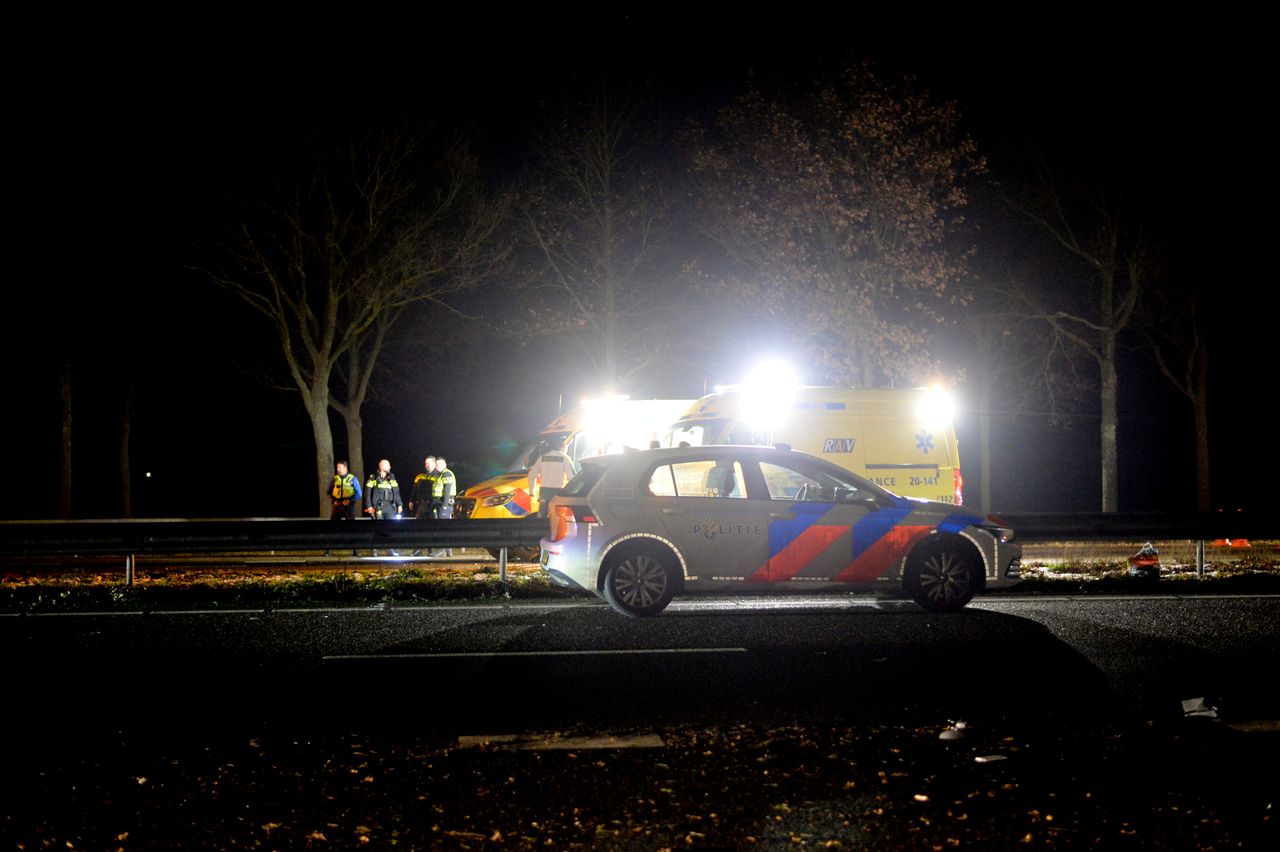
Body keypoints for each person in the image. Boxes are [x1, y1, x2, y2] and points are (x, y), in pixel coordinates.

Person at [528, 439, 580, 518]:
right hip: (557, 492)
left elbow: (532, 476)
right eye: (566, 449)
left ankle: (541, 529)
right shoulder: (565, 458)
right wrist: (576, 493)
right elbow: (572, 478)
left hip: (544, 492)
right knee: (556, 517)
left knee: (542, 516)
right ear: (563, 448)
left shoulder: (542, 458)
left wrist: (532, 492)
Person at [363, 458, 403, 556]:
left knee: (390, 528)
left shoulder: (392, 477)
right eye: (388, 465)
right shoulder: (373, 477)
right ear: (382, 466)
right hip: (378, 507)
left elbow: (396, 491)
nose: (390, 467)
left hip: (390, 506)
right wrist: (368, 506)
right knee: (377, 528)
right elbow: (367, 492)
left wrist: (399, 504)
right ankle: (374, 550)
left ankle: (390, 549)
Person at [408, 455, 437, 555]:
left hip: (432, 505)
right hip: (421, 505)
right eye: (426, 463)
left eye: (429, 463)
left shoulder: (438, 476)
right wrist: (411, 500)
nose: (427, 465)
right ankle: (418, 549)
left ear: (434, 463)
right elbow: (414, 489)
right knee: (418, 528)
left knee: (431, 529)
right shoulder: (420, 476)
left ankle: (431, 550)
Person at [429, 456, 457, 556]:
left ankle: (441, 550)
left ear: (445, 464)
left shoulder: (446, 474)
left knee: (443, 527)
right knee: (444, 527)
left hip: (445, 504)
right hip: (440, 503)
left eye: (440, 464)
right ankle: (448, 551)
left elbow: (447, 490)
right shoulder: (440, 474)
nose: (437, 466)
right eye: (436, 464)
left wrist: (444, 505)